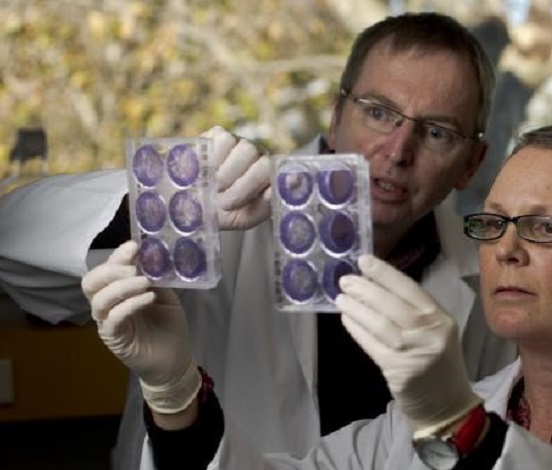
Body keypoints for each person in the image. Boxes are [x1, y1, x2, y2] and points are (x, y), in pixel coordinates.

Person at [83, 122, 552, 469]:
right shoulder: (403, 431)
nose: (506, 247)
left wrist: (463, 428)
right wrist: (175, 394)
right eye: (493, 221)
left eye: (546, 227)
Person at [0, 12, 518, 470]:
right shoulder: (229, 215)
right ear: (337, 117)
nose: (398, 150)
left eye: (436, 132)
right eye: (378, 112)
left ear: (470, 164)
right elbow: (13, 246)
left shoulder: (493, 281)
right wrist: (176, 202)